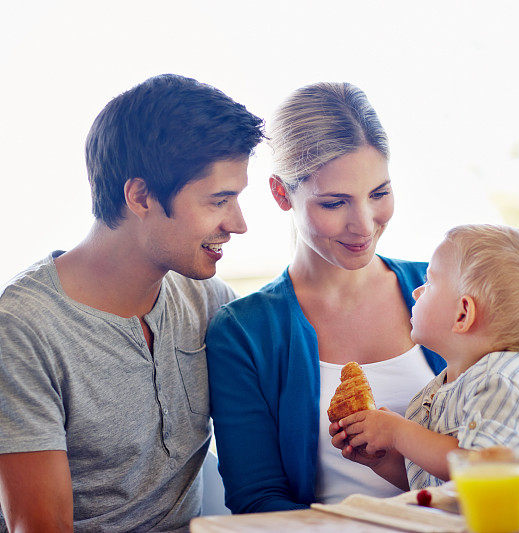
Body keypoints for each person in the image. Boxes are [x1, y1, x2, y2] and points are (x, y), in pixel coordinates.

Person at [0, 74, 264, 532]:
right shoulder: (23, 330)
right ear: (140, 196)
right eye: (219, 201)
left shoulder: (209, 301)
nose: (238, 225)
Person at [205, 82, 447, 513]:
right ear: (282, 194)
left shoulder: (445, 289)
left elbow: (505, 448)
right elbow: (258, 499)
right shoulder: (245, 331)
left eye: (379, 194)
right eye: (335, 203)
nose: (364, 224)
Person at [333, 224, 519, 490]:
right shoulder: (437, 391)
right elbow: (432, 481)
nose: (416, 292)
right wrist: (381, 458)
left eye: (430, 282)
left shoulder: (501, 381)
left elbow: (481, 470)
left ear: (463, 314)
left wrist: (398, 433)